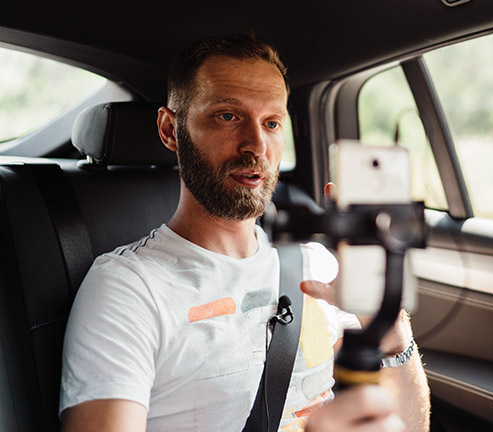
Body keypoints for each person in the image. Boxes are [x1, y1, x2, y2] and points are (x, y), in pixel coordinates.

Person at [59, 33, 429, 432]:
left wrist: (389, 322)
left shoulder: (320, 265)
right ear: (170, 130)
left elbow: (410, 427)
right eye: (228, 116)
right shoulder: (128, 288)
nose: (256, 144)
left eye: (272, 123)